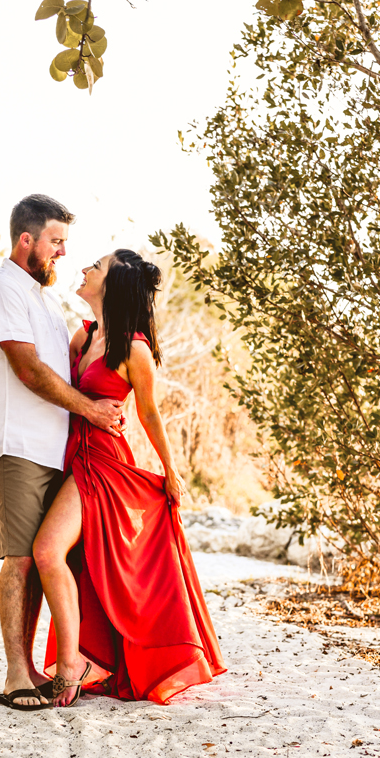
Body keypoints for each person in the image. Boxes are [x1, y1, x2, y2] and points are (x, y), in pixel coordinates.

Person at [33, 249, 227, 707]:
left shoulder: (134, 348)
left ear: (114, 284)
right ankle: (90, 658)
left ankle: (71, 663)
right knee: (86, 567)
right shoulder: (84, 337)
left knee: (48, 551)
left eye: (95, 267)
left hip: (103, 465)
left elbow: (150, 414)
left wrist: (171, 471)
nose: (83, 269)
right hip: (72, 457)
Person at [0, 195, 125, 711]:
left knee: (43, 559)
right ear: (26, 240)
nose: (62, 252)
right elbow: (29, 370)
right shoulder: (1, 290)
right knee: (18, 559)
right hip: (16, 444)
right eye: (55, 242)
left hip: (55, 450)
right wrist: (90, 410)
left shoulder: (44, 297)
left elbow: (71, 359)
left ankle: (39, 666)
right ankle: (17, 672)